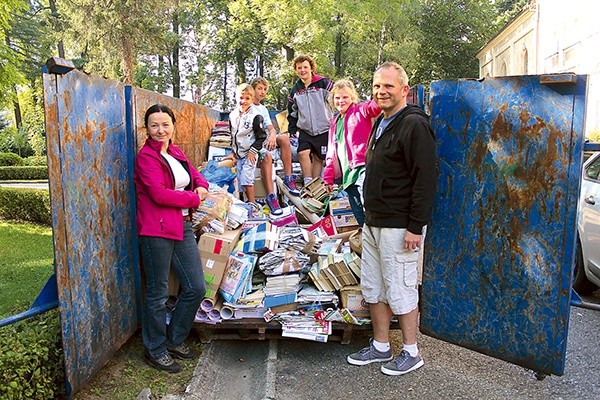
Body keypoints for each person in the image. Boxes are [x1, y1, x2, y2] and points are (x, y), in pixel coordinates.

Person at [346, 62, 437, 376]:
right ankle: (381, 345)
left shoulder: (414, 124)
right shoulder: (381, 122)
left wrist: (415, 225)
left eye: (388, 86)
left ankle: (411, 351)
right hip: (374, 221)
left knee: (401, 288)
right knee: (375, 288)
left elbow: (425, 178)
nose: (381, 91)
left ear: (404, 90)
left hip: (399, 225)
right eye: (376, 86)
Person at [134, 104, 210, 373]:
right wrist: (193, 198)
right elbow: (159, 193)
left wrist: (201, 185)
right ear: (146, 128)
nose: (160, 130)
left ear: (172, 126)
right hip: (156, 230)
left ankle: (174, 339)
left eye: (165, 124)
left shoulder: (175, 151)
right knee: (157, 293)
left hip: (182, 226)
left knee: (196, 287)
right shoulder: (146, 157)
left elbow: (195, 174)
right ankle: (154, 349)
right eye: (154, 125)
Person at [323, 79, 381, 226]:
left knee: (368, 205)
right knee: (358, 212)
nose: (341, 101)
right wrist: (328, 178)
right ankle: (367, 240)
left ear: (352, 98)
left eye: (345, 97)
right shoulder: (334, 123)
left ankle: (377, 238)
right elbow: (331, 154)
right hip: (348, 174)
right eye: (337, 97)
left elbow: (374, 108)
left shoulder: (360, 110)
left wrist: (379, 89)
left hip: (363, 167)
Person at [228, 83, 283, 215]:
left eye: (247, 98)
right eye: (241, 98)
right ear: (236, 98)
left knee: (247, 177)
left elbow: (261, 136)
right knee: (241, 179)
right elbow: (233, 136)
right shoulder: (232, 115)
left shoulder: (255, 115)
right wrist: (233, 153)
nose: (243, 101)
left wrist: (253, 152)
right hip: (239, 152)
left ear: (252, 99)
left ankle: (252, 204)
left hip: (251, 151)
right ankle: (246, 202)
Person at [287, 55, 333, 186]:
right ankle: (307, 182)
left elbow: (336, 99)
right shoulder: (295, 90)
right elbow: (292, 111)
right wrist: (292, 129)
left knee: (319, 158)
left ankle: (315, 184)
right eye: (299, 68)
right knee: (302, 153)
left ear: (311, 68)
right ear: (296, 70)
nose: (303, 70)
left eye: (305, 67)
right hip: (305, 129)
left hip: (324, 128)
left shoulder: (324, 83)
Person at [250, 77, 300, 196]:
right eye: (259, 89)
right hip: (254, 142)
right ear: (252, 89)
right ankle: (271, 196)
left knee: (283, 138)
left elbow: (270, 127)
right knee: (266, 156)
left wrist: (272, 135)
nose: (262, 92)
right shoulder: (248, 105)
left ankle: (288, 178)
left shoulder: (263, 109)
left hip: (266, 139)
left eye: (265, 89)